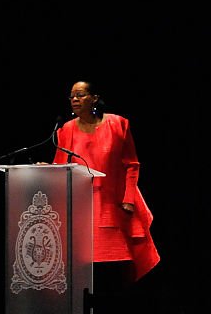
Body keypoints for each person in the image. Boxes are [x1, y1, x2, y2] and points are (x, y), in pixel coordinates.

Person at [53, 80, 160, 293]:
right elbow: (60, 168)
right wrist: (45, 169)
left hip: (114, 207)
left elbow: (132, 165)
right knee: (85, 268)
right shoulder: (66, 130)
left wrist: (129, 199)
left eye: (80, 95)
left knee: (116, 269)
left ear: (94, 98)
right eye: (72, 96)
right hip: (82, 211)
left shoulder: (118, 124)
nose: (75, 99)